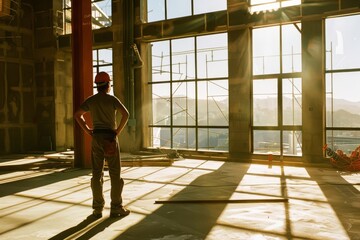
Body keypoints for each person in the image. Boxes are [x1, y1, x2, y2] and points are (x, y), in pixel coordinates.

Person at [74, 71, 130, 218]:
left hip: (96, 138)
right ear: (108, 84)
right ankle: (116, 207)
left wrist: (87, 130)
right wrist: (117, 130)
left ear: (97, 85)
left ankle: (98, 209)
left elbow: (77, 114)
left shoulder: (91, 100)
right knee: (115, 173)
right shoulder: (112, 100)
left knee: (97, 174)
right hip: (110, 138)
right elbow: (126, 114)